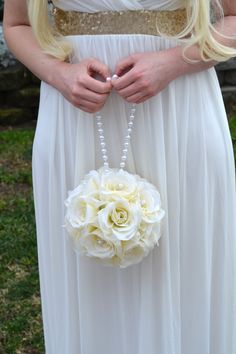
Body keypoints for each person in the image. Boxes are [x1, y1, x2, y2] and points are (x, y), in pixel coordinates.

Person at [3, 0, 236, 353]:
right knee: (91, 279)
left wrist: (174, 62)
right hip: (76, 114)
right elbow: (17, 25)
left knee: (184, 273)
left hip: (179, 109)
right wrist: (60, 74)